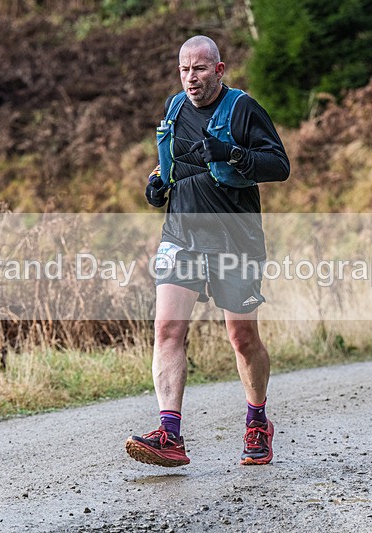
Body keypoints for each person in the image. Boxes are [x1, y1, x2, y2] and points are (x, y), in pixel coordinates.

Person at [126, 35, 290, 467]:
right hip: (181, 234)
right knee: (167, 330)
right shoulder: (174, 108)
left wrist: (234, 153)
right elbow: (171, 167)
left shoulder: (242, 108)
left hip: (235, 240)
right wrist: (157, 187)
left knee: (241, 337)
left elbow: (280, 165)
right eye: (184, 70)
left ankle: (257, 422)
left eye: (199, 69)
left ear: (219, 70)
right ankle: (170, 434)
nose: (191, 78)